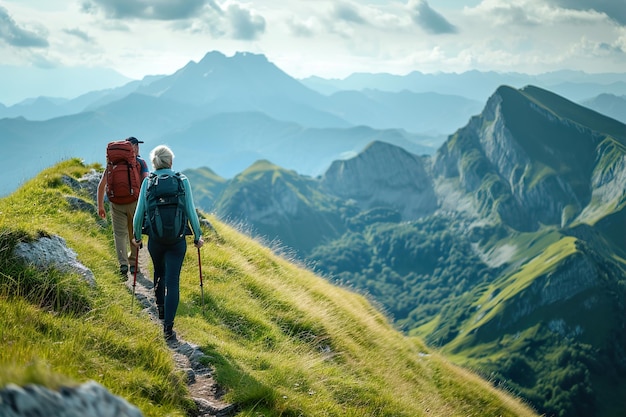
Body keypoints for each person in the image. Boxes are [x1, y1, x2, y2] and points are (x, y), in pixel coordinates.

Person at [131, 145, 204, 341]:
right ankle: (168, 328)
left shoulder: (148, 182)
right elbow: (190, 211)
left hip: (156, 240)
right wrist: (198, 236)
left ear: (154, 163)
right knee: (173, 281)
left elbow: (138, 215)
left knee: (159, 272)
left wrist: (137, 236)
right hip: (177, 241)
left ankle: (160, 309)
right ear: (170, 162)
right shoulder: (182, 181)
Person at [97, 137, 150, 277]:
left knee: (119, 234)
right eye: (137, 145)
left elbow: (102, 185)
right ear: (134, 147)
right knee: (135, 231)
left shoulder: (112, 163)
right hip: (134, 202)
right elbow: (146, 181)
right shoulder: (139, 162)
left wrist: (100, 206)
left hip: (116, 203)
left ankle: (122, 264)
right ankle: (134, 264)